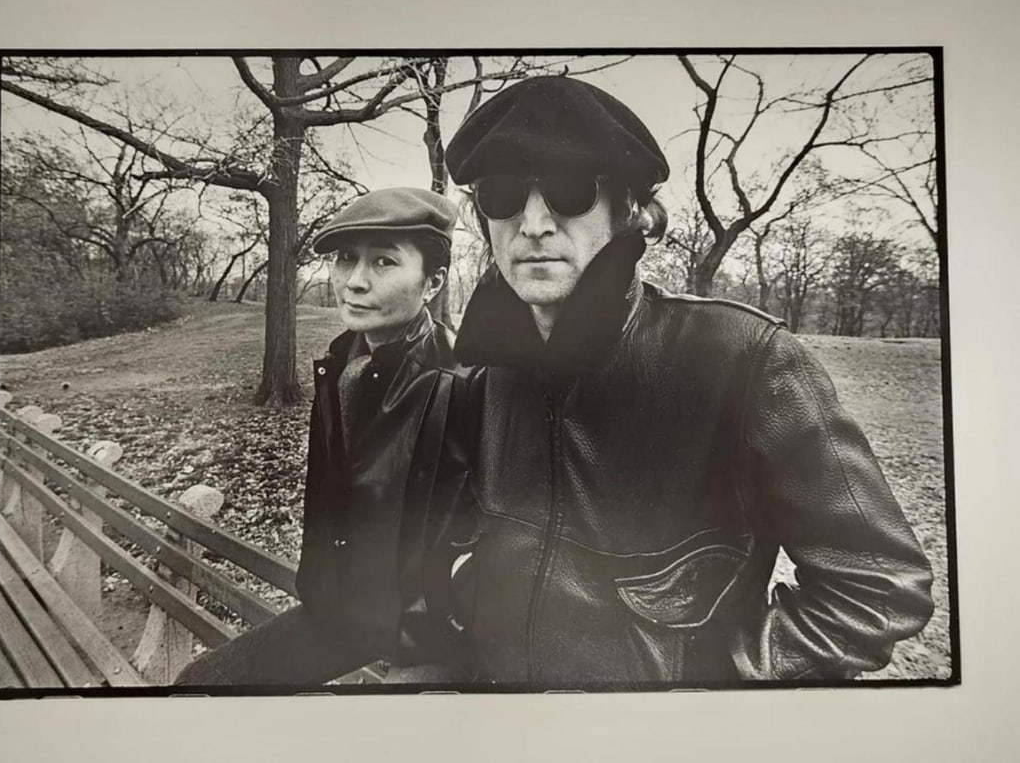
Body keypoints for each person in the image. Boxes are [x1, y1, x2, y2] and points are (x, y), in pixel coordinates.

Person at [436, 75, 935, 686]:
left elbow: (878, 588)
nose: (533, 223)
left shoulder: (741, 359)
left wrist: (713, 689)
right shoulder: (485, 376)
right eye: (503, 195)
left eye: (569, 191)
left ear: (633, 214)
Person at [175, 187, 463, 686]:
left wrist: (417, 647)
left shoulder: (458, 383)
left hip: (415, 633)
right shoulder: (343, 360)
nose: (354, 282)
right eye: (347, 259)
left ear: (433, 281)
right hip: (339, 610)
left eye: (384, 262)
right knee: (199, 684)